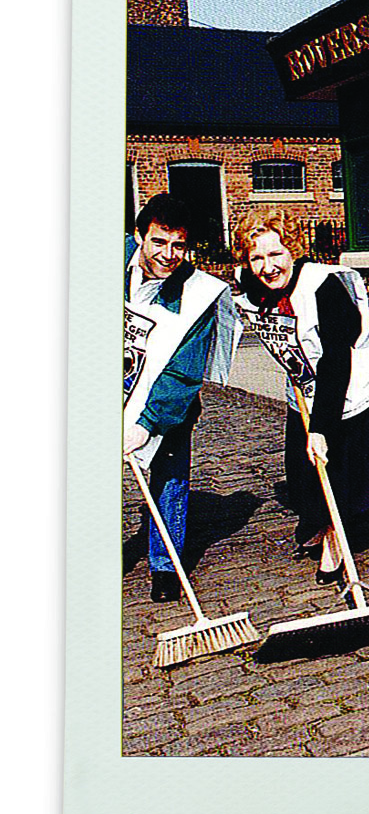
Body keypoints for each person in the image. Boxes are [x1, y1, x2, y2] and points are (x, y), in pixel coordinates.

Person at [233, 206, 369, 581]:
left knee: (343, 470)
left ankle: (335, 538)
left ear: (293, 250)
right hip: (305, 386)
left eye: (276, 254)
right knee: (303, 473)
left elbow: (335, 363)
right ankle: (319, 522)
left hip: (351, 385)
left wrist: (321, 429)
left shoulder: (324, 287)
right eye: (257, 258)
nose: (267, 267)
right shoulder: (253, 287)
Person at [123, 193, 241, 601]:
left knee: (169, 475)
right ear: (139, 236)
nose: (168, 254)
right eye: (159, 242)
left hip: (166, 398)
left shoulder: (197, 295)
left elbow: (184, 370)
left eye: (179, 245)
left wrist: (146, 423)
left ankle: (165, 565)